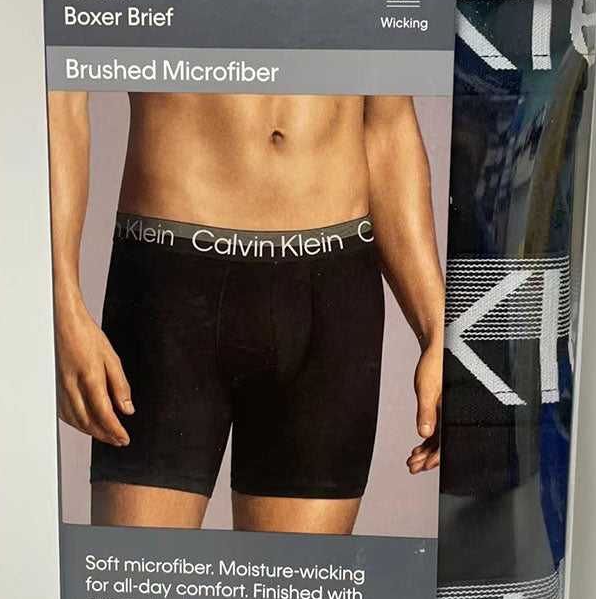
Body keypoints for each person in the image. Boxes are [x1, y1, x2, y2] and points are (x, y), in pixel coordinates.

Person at [49, 91, 444, 533]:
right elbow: (61, 99)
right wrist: (61, 304)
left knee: (297, 580)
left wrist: (439, 335)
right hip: (170, 291)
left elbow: (388, 124)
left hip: (330, 296)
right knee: (139, 575)